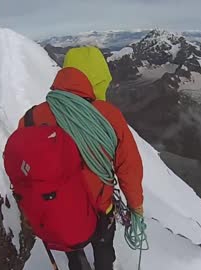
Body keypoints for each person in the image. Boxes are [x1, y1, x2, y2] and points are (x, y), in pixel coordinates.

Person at [18, 47, 144, 270]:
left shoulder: (31, 118)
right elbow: (129, 168)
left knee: (72, 248)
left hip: (56, 208)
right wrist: (136, 207)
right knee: (103, 250)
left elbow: (22, 167)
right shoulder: (109, 116)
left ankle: (77, 262)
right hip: (99, 207)